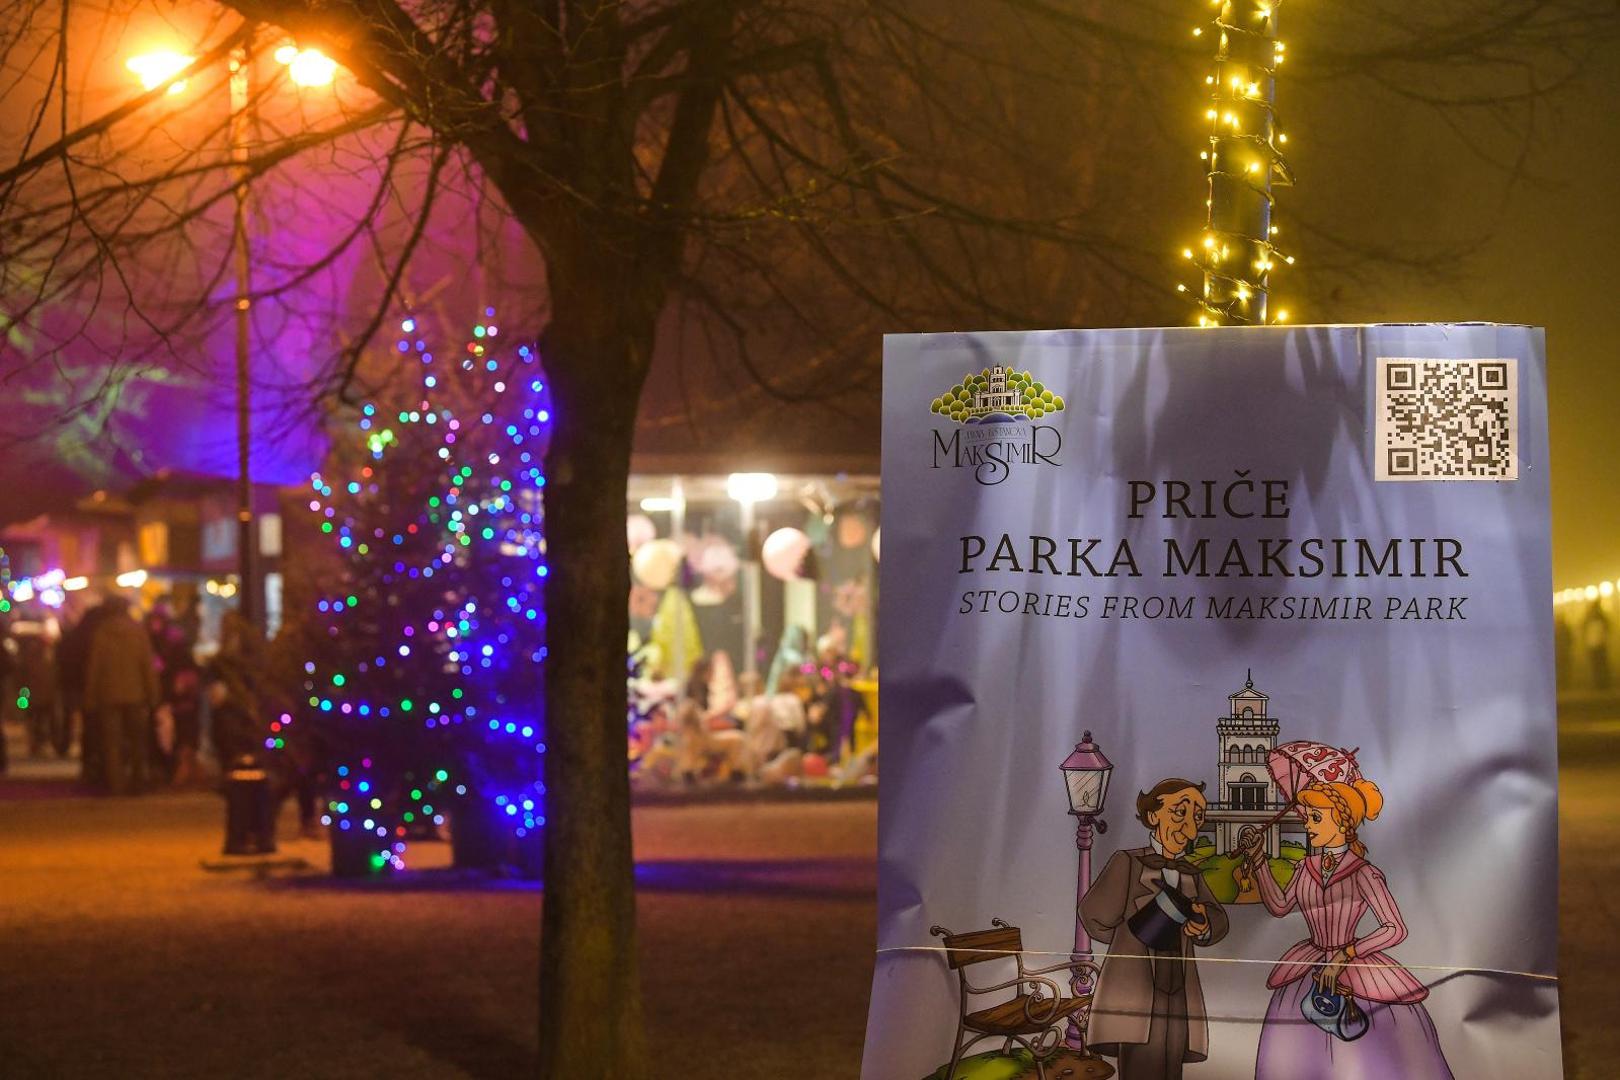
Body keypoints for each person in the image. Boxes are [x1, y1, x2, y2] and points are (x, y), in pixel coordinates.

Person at [1243, 778, 1453, 1079]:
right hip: (1310, 967)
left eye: (1316, 818)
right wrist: (1258, 859)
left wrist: (1346, 954)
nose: (1308, 825)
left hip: (1355, 968)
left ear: (1342, 821)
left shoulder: (1364, 873)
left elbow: (1395, 928)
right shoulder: (1304, 868)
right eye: (1307, 818)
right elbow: (1279, 907)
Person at [1081, 778, 1230, 1079]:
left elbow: (1218, 918)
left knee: (1171, 1066)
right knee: (1140, 1066)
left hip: (1179, 990)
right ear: (1153, 816)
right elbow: (1093, 916)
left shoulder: (1191, 873)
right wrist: (1130, 940)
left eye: (1198, 817)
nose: (1190, 828)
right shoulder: (1128, 863)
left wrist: (1202, 925)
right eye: (1180, 812)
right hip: (1135, 990)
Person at [83, 597, 160, 796]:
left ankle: (116, 783)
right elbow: (147, 666)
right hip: (136, 693)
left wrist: (90, 696)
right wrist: (153, 694)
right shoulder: (138, 632)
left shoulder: (102, 633)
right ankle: (138, 780)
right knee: (138, 741)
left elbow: (95, 668)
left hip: (108, 694)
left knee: (112, 743)